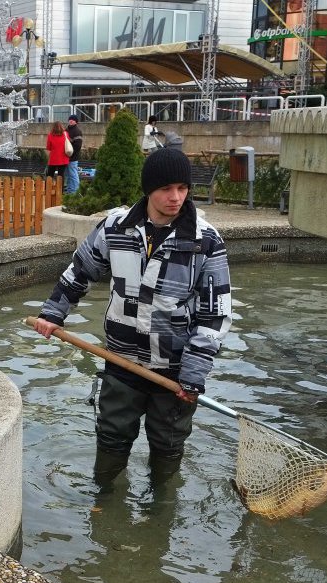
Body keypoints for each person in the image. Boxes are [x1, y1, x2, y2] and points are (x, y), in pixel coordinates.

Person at [32, 148, 232, 489]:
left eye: (183, 188)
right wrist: (54, 313)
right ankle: (105, 504)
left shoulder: (205, 241)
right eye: (166, 189)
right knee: (111, 436)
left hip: (176, 372)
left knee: (168, 446)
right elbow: (80, 270)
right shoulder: (115, 228)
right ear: (148, 189)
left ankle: (160, 512)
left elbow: (214, 314)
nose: (176, 197)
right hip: (121, 361)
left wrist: (194, 374)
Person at [65, 114, 84, 194]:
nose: (71, 121)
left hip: (72, 158)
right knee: (69, 175)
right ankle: (70, 191)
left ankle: (75, 192)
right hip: (66, 157)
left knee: (73, 175)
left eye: (72, 120)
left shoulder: (77, 131)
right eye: (70, 119)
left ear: (76, 122)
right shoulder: (66, 130)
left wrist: (70, 154)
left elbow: (78, 146)